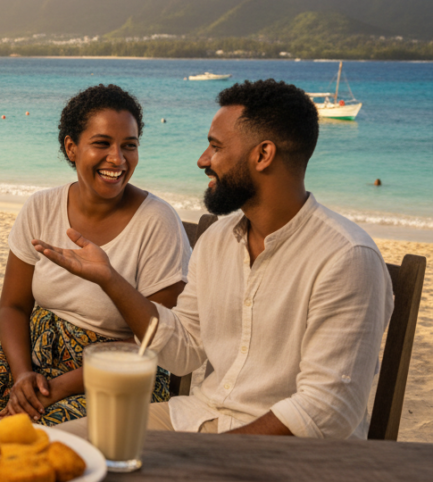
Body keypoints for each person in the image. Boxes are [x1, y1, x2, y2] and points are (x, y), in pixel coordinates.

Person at [39, 80, 393, 439]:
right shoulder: (217, 241)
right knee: (55, 446)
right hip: (196, 418)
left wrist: (210, 453)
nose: (203, 160)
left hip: (288, 452)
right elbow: (183, 350)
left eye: (216, 146)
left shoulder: (346, 258)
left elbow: (328, 409)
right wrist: (110, 279)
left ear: (263, 155)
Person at [0, 85, 190, 424]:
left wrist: (55, 388)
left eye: (129, 145)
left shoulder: (158, 222)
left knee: (36, 432)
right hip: (35, 354)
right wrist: (22, 377)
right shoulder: (41, 207)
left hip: (121, 369)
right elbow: (13, 306)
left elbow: (156, 339)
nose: (118, 158)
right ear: (72, 147)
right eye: (102, 143)